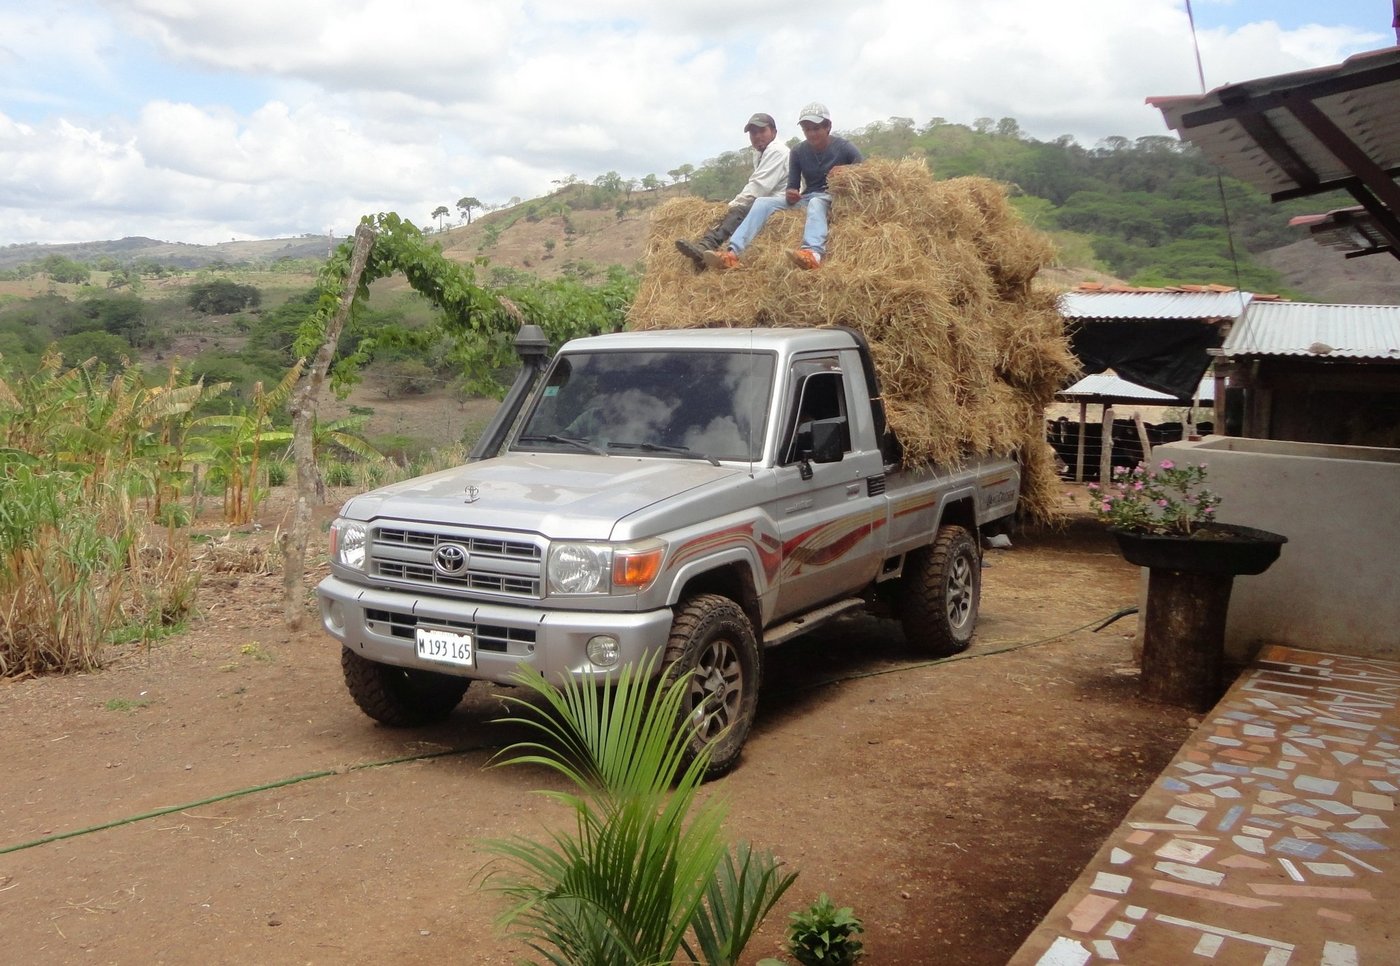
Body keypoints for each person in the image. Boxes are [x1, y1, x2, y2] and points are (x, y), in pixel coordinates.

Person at [703, 102, 862, 271]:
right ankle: (733, 253)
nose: (811, 133)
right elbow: (793, 186)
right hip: (807, 197)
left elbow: (866, 170)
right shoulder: (798, 151)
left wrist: (846, 170)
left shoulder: (844, 147)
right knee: (762, 202)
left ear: (828, 127)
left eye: (816, 128)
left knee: (816, 201)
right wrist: (791, 194)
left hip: (830, 198)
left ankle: (813, 254)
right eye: (807, 129)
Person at [674, 112, 789, 269]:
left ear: (774, 132)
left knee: (738, 211)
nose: (757, 136)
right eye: (753, 133)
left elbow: (758, 187)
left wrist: (731, 206)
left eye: (762, 131)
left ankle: (708, 245)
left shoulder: (777, 151)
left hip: (781, 201)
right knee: (741, 207)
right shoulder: (759, 154)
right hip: (768, 200)